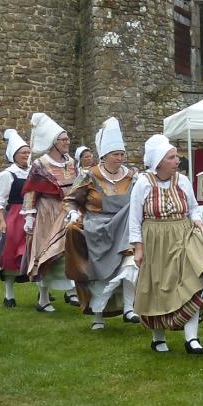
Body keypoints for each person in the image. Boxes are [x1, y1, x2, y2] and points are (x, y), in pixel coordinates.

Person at [128, 135, 203, 353]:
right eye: (171, 157)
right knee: (157, 287)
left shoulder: (183, 181)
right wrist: (138, 247)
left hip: (182, 236)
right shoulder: (143, 183)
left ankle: (192, 338)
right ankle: (158, 337)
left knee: (191, 282)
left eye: (175, 157)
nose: (176, 161)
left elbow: (193, 207)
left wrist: (196, 219)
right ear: (159, 162)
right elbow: (134, 218)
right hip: (155, 240)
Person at [65, 117, 140, 331]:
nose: (120, 158)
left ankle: (129, 308)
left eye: (122, 154)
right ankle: (97, 315)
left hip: (124, 226)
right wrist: (72, 214)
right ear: (105, 156)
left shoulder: (132, 176)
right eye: (116, 154)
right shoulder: (90, 176)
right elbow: (70, 199)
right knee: (99, 274)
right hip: (97, 228)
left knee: (130, 262)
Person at [21, 112, 79, 311]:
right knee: (47, 253)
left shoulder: (71, 162)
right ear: (54, 142)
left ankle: (73, 291)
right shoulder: (40, 164)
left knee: (69, 251)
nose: (67, 142)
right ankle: (43, 298)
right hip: (47, 211)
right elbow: (30, 191)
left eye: (68, 138)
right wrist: (29, 216)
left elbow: (77, 186)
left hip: (68, 209)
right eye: (63, 139)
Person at [0, 129, 32, 308]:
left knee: (36, 253)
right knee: (11, 255)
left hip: (33, 214)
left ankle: (43, 295)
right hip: (15, 216)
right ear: (14, 155)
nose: (27, 155)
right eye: (23, 152)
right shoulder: (7, 174)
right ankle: (9, 294)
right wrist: (2, 221)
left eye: (28, 152)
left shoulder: (33, 172)